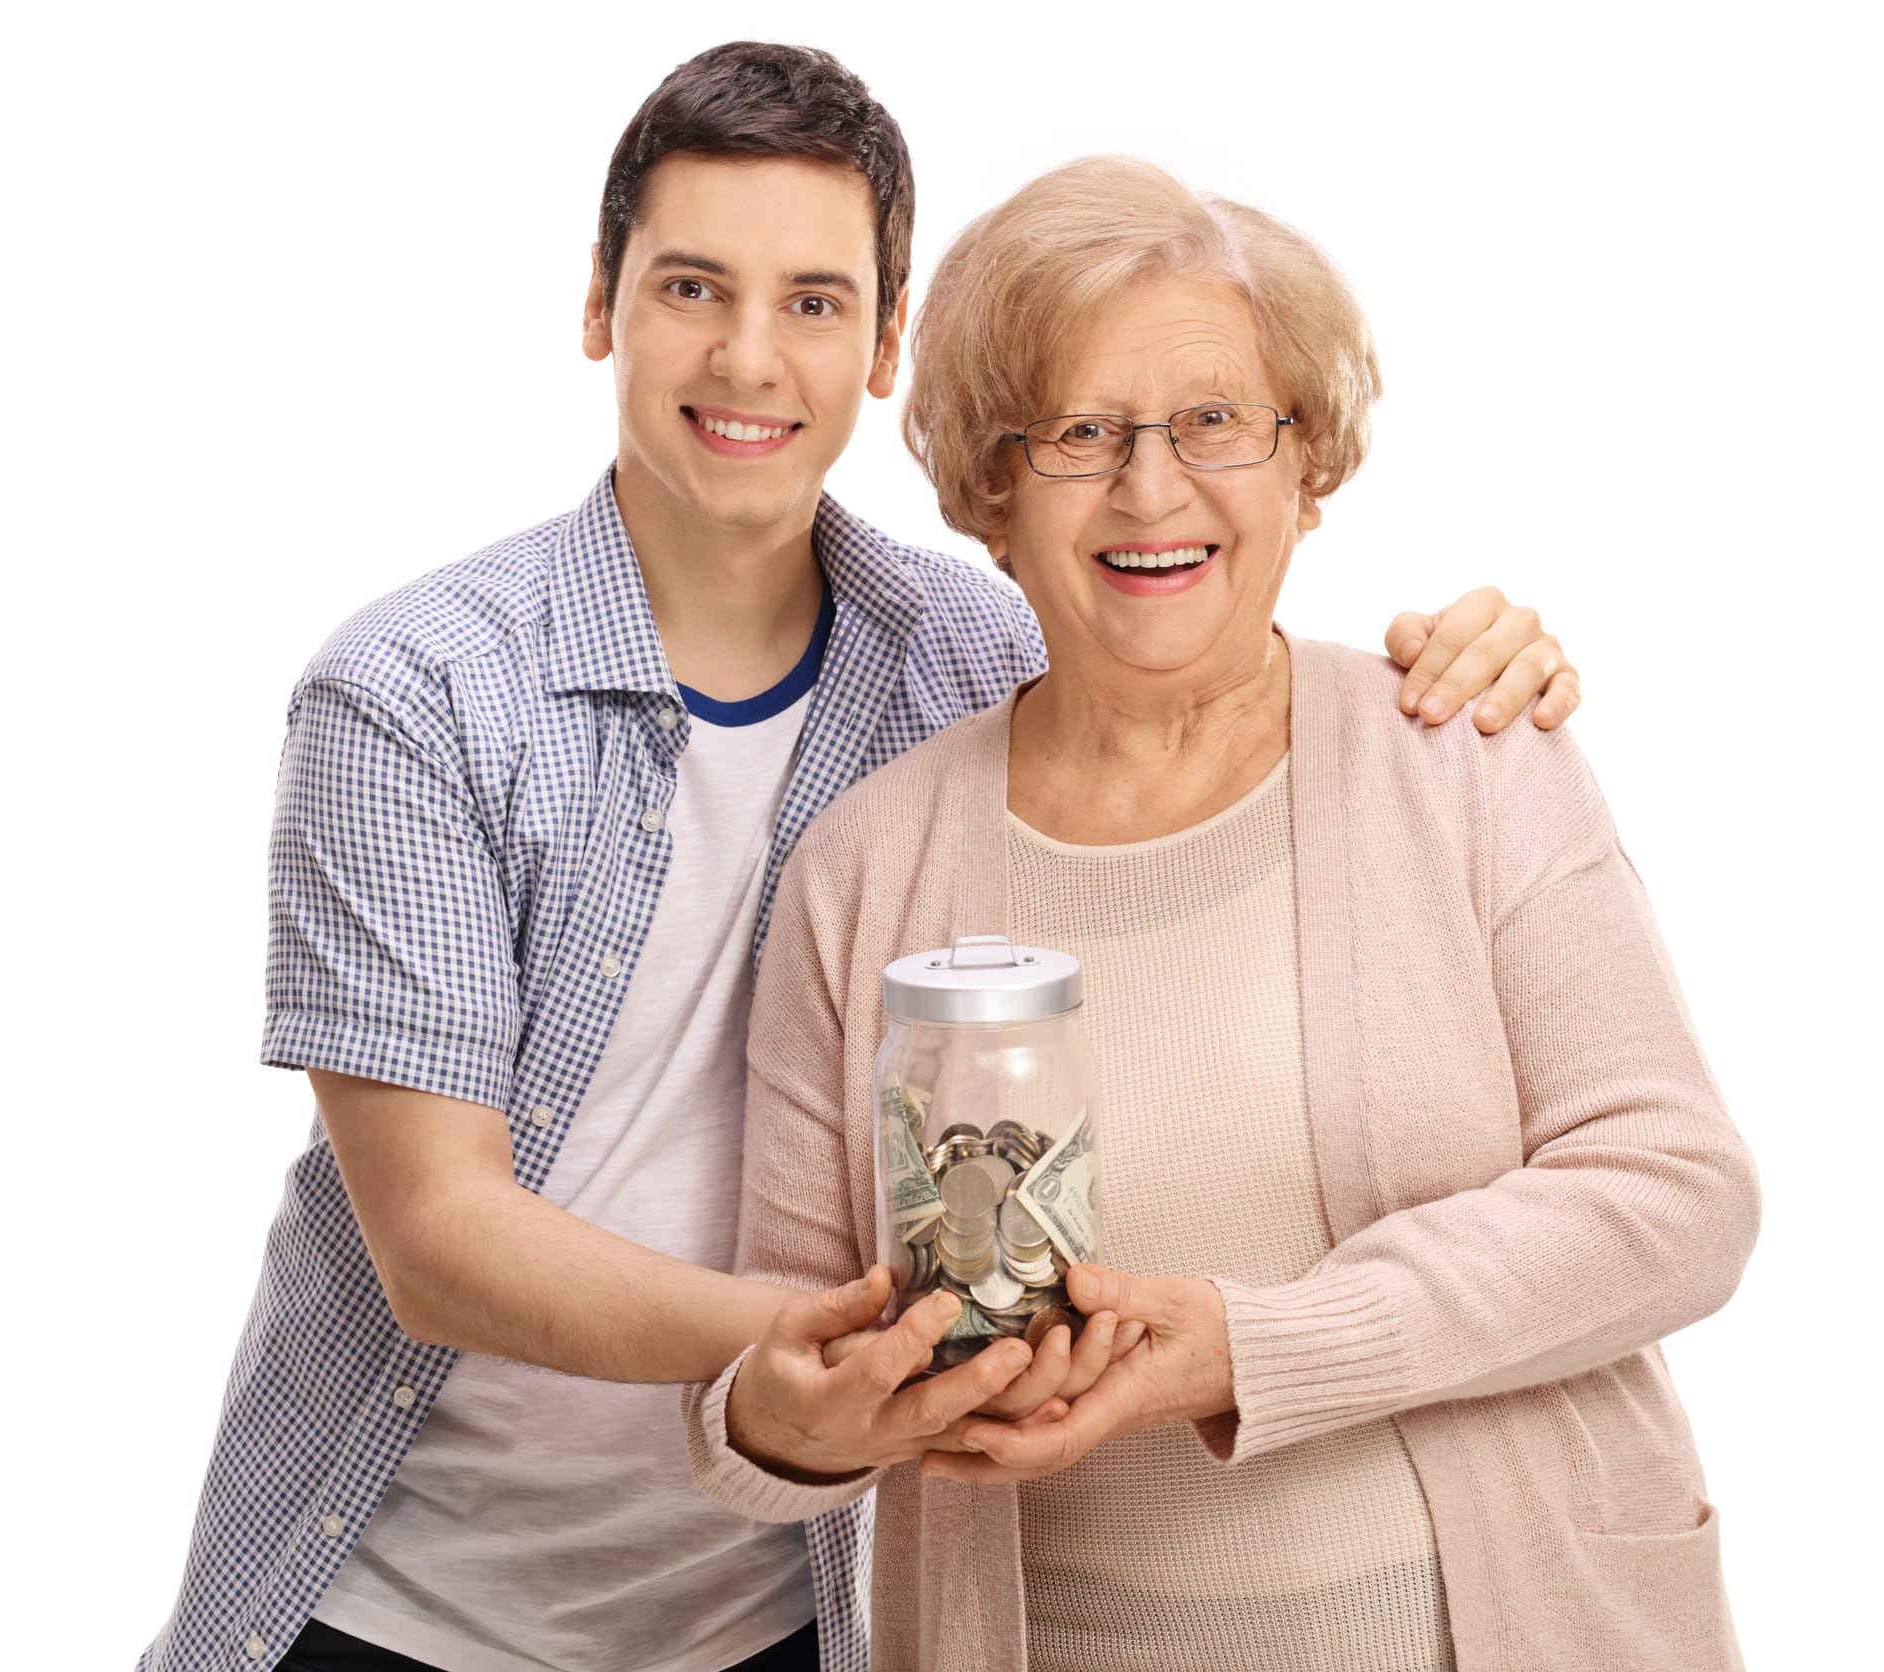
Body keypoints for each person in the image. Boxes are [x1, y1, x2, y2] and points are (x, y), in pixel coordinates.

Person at [140, 45, 1585, 1672]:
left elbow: (1180, 607)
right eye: (694, 286)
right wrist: (853, 1341)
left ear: (887, 345)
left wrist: (1459, 666)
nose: (751, 357)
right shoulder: (415, 694)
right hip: (408, 1597)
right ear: (601, 303)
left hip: (787, 1597)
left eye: (817, 302)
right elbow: (440, 1244)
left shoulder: (970, 653)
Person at [689, 156, 1760, 1672]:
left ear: (1306, 464)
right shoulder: (867, 868)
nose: (1151, 488)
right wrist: (788, 1421)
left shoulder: (1461, 757)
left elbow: (1680, 1198)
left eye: (1214, 422)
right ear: (991, 495)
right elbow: (773, 1363)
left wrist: (1251, 1352)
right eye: (1078, 432)